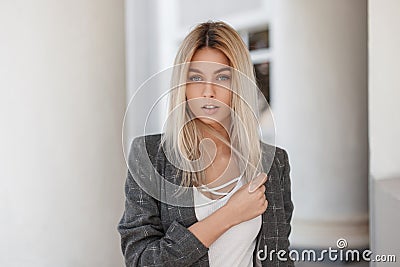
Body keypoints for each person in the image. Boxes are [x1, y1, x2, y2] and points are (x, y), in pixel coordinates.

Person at [118, 21, 294, 267]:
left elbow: (278, 258)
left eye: (222, 77)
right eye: (196, 77)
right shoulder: (150, 156)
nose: (208, 91)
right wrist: (229, 215)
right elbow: (142, 260)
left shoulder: (274, 163)